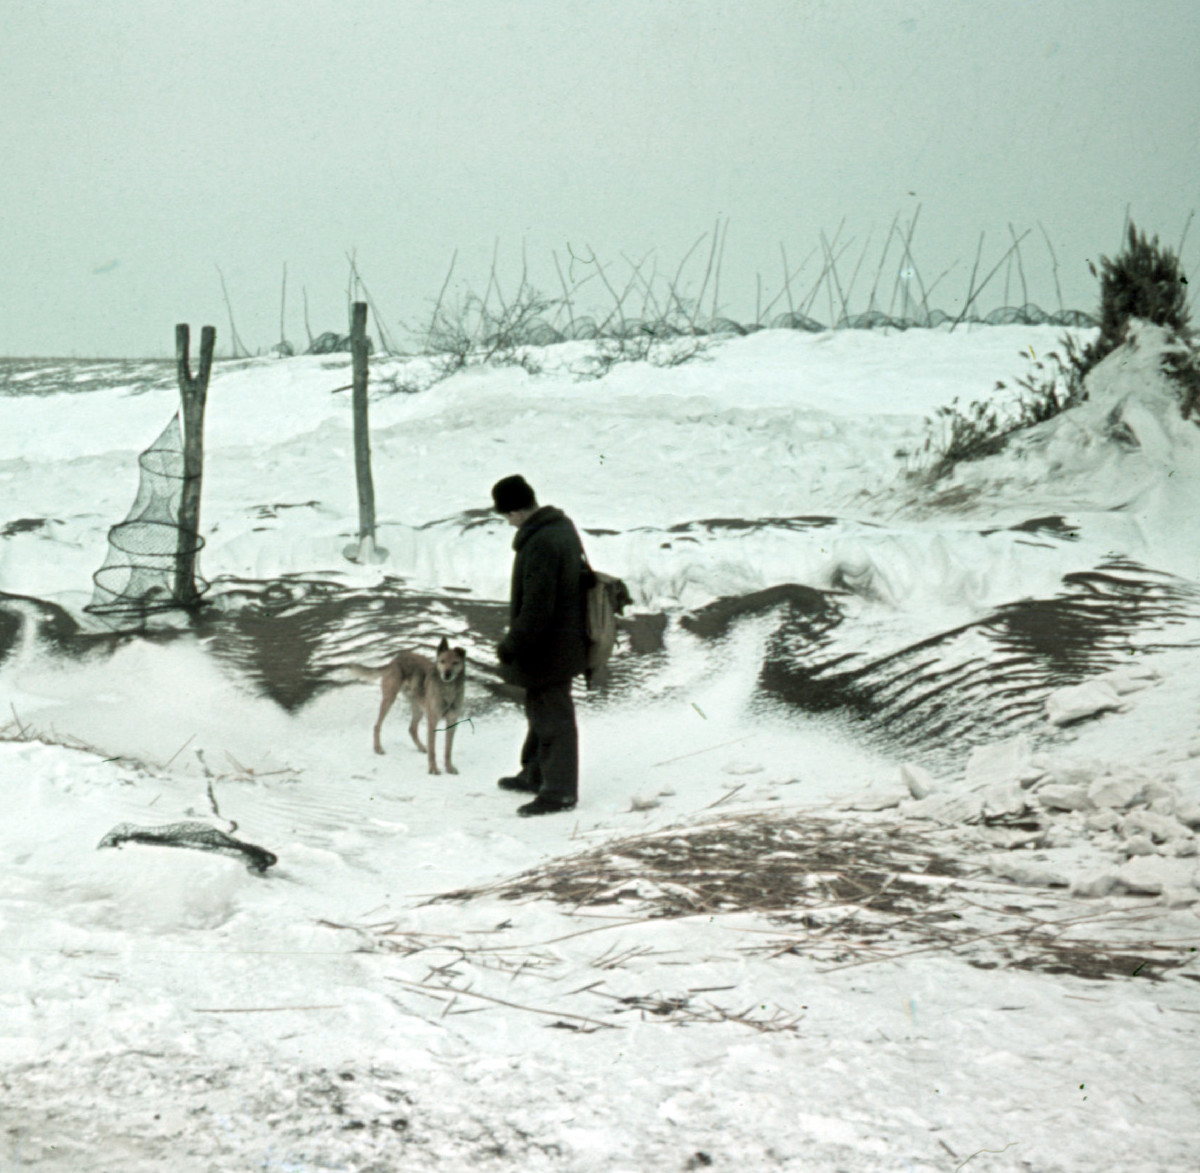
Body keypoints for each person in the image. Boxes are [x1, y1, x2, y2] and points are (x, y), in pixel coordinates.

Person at [491, 474, 588, 816]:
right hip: (562, 640)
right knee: (540, 710)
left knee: (553, 717)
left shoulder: (541, 542)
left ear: (516, 510)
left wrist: (512, 644)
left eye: (507, 515)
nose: (508, 522)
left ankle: (559, 792)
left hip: (550, 647)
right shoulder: (559, 527)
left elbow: (537, 606)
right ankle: (535, 774)